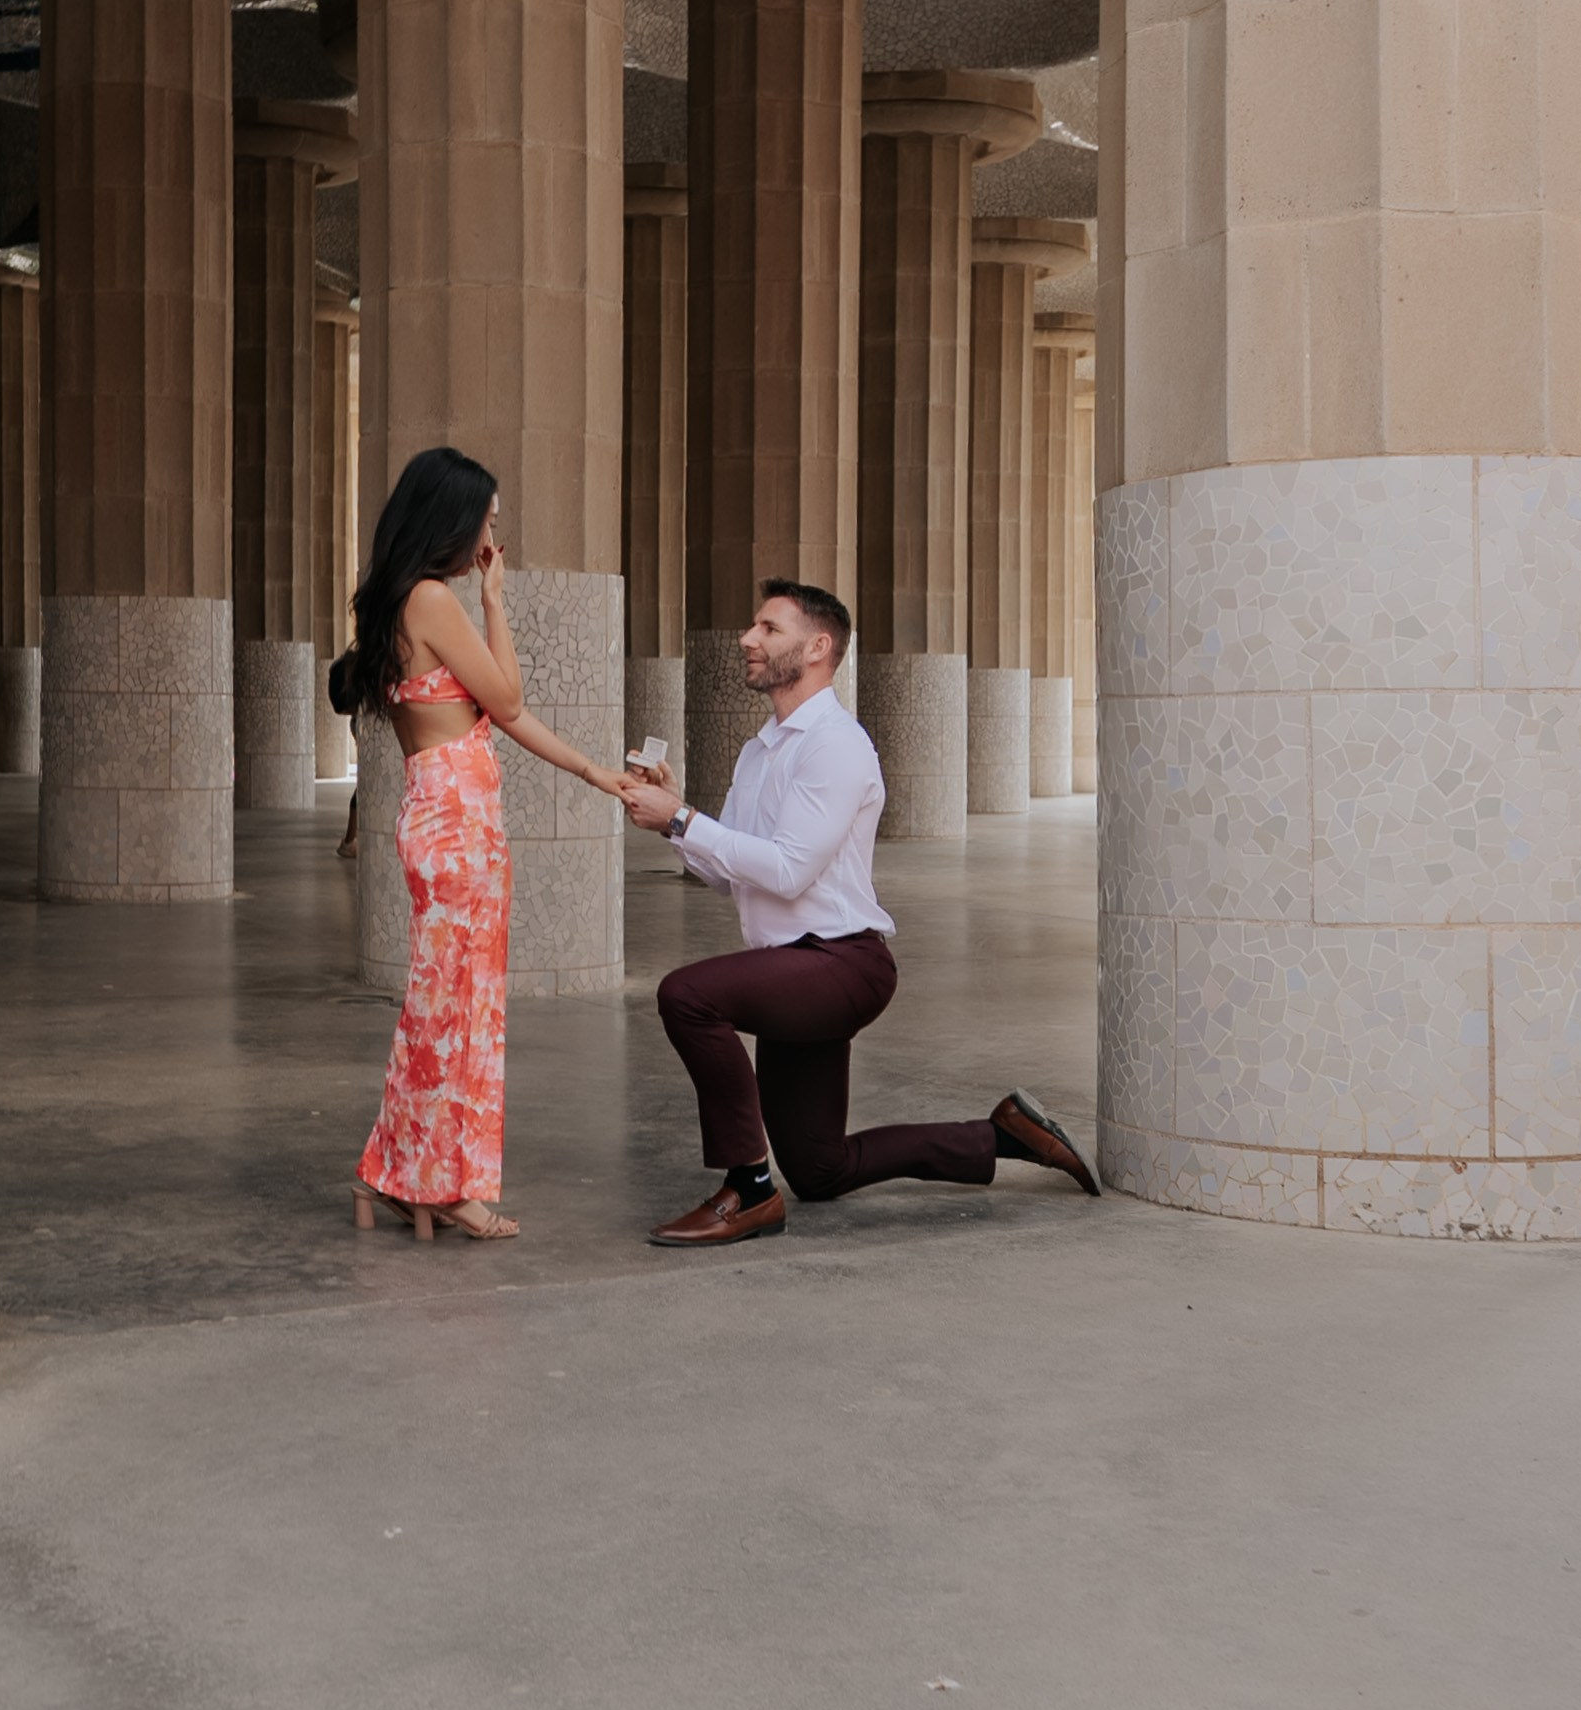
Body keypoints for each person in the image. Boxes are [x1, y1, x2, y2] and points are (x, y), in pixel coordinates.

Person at [621, 578, 1101, 1247]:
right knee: (820, 1169)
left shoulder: (835, 744)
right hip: (793, 966)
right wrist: (676, 821)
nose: (747, 638)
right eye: (753, 626)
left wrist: (682, 818)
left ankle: (749, 1190)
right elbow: (731, 875)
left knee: (687, 996)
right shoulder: (761, 749)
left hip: (840, 963)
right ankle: (1002, 1136)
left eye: (768, 628)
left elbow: (789, 870)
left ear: (818, 647)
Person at [340, 444, 630, 1242]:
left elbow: (507, 715)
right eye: (488, 521)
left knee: (450, 1004)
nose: (492, 539)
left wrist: (591, 771)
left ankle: (400, 1174)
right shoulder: (432, 599)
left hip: (446, 813)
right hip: (454, 822)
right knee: (454, 1010)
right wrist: (497, 602)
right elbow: (505, 698)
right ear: (453, 517)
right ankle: (437, 1183)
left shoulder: (401, 598)